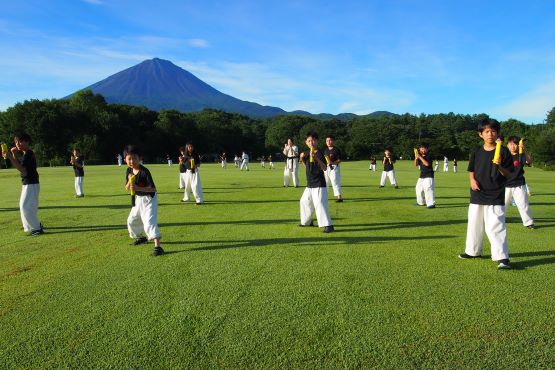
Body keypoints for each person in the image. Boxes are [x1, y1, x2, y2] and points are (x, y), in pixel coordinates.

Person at [458, 118, 514, 269]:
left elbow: (509, 174)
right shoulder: (476, 151)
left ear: (497, 134)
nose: (490, 134)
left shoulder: (503, 151)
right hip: (477, 193)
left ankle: (502, 257)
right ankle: (473, 251)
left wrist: (500, 166)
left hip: (495, 193)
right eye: (487, 131)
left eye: (493, 131)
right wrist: (472, 181)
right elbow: (471, 170)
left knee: (495, 226)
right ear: (480, 134)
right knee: (474, 224)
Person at [124, 145, 164, 256]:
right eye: (129, 159)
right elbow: (127, 188)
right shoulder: (128, 170)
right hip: (138, 199)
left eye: (134, 158)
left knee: (149, 222)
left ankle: (158, 246)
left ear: (140, 158)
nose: (132, 161)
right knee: (131, 220)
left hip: (149, 199)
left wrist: (137, 188)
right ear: (125, 160)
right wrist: (129, 181)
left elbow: (153, 188)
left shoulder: (144, 171)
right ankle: (140, 237)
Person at [6, 133, 43, 236]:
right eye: (16, 142)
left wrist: (10, 157)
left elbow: (23, 171)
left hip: (30, 184)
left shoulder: (28, 154)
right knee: (27, 206)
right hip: (30, 183)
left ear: (27, 142)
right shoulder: (27, 154)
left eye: (20, 141)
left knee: (25, 207)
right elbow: (21, 166)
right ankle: (31, 226)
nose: (17, 144)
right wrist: (13, 155)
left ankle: (36, 228)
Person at [299, 132, 334, 233]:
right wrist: (302, 159)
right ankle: (307, 221)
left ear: (317, 141)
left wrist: (315, 158)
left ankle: (328, 225)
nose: (311, 142)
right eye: (309, 141)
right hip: (309, 184)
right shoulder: (306, 153)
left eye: (313, 140)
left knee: (320, 204)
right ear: (306, 142)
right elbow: (308, 168)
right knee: (304, 201)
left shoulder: (319, 153)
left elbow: (324, 168)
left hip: (319, 184)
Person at [505, 136, 534, 229]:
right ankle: (497, 219)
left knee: (523, 204)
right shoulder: (504, 155)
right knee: (501, 205)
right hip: (505, 185)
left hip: (519, 184)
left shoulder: (520, 155)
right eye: (511, 144)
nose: (513, 146)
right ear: (507, 145)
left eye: (515, 144)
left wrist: (524, 149)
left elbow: (529, 161)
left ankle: (528, 223)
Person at [414, 144, 435, 208]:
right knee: (418, 189)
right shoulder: (420, 155)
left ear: (426, 149)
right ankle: (420, 202)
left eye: (423, 148)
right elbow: (415, 165)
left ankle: (431, 204)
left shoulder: (429, 155)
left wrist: (420, 157)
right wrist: (416, 157)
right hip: (422, 175)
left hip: (429, 175)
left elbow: (427, 164)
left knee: (428, 189)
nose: (422, 150)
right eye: (421, 148)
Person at [324, 135, 343, 202]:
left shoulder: (336, 150)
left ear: (333, 141)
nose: (328, 142)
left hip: (334, 167)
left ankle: (339, 197)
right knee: (325, 182)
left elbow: (339, 160)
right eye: (327, 141)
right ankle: (324, 196)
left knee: (335, 181)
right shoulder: (326, 150)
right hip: (326, 168)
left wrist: (332, 163)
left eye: (330, 140)